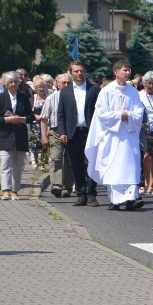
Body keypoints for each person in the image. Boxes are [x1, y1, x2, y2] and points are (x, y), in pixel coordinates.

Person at [85, 61, 145, 211]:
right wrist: (121, 115)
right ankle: (116, 200)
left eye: (129, 70)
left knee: (130, 166)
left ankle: (131, 198)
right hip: (112, 135)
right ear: (116, 72)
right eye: (125, 70)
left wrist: (127, 115)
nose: (128, 73)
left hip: (129, 136)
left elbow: (139, 112)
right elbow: (102, 114)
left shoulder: (133, 92)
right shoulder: (107, 91)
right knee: (114, 167)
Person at [58, 61, 100, 207]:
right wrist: (62, 132)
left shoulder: (94, 89)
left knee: (91, 163)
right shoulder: (65, 91)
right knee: (75, 164)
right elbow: (61, 114)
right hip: (73, 132)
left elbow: (100, 111)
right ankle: (81, 194)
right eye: (76, 71)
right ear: (71, 72)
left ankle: (91, 194)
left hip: (90, 131)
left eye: (81, 70)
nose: (79, 73)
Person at [0, 71, 35, 200]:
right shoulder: (0, 98)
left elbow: (30, 117)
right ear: (5, 84)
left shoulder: (23, 97)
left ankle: (15, 190)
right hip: (5, 136)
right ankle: (5, 190)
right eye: (10, 82)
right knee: (5, 164)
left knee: (17, 165)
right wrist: (9, 120)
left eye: (15, 81)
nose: (13, 84)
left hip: (20, 136)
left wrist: (20, 118)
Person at [40, 73, 74, 198]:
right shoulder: (51, 98)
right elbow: (44, 119)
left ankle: (67, 186)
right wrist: (44, 136)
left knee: (69, 160)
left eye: (68, 83)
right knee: (56, 158)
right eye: (63, 83)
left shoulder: (75, 98)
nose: (65, 85)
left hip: (71, 131)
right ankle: (56, 185)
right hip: (55, 131)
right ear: (57, 84)